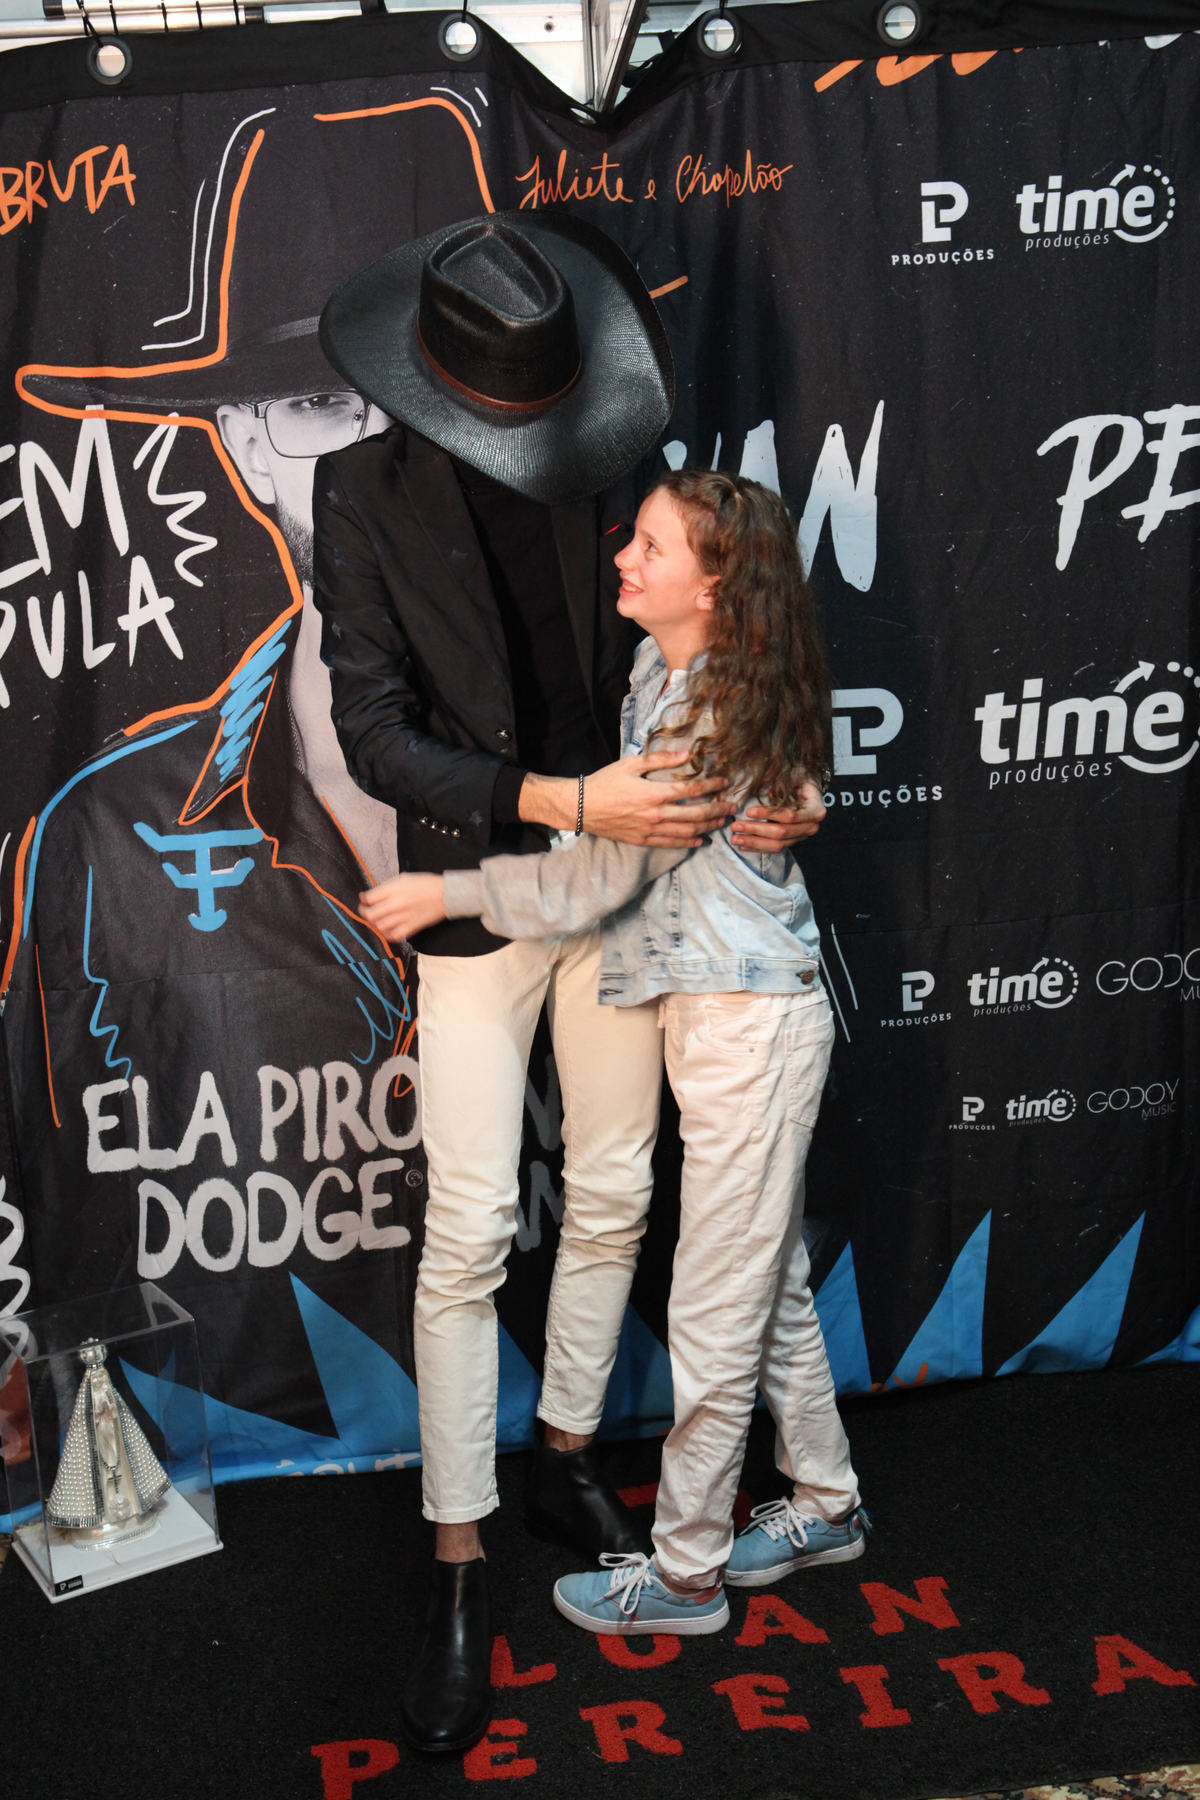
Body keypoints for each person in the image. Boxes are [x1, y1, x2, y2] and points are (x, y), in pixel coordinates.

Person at [313, 216, 825, 1746]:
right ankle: (457, 1562)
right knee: (471, 1232)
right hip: (487, 883)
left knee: (610, 1193)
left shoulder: (613, 458)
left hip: (626, 892)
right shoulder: (359, 493)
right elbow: (374, 734)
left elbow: (727, 652)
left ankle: (562, 1453)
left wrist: (777, 786)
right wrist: (557, 798)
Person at [361, 468, 869, 1638]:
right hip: (707, 1018)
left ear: (717, 586)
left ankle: (686, 1573)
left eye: (648, 547)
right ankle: (828, 1500)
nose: (621, 560)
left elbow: (602, 873)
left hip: (750, 1028)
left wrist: (450, 890)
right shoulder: (656, 670)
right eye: (629, 538)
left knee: (717, 1307)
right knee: (767, 1280)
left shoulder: (710, 711)